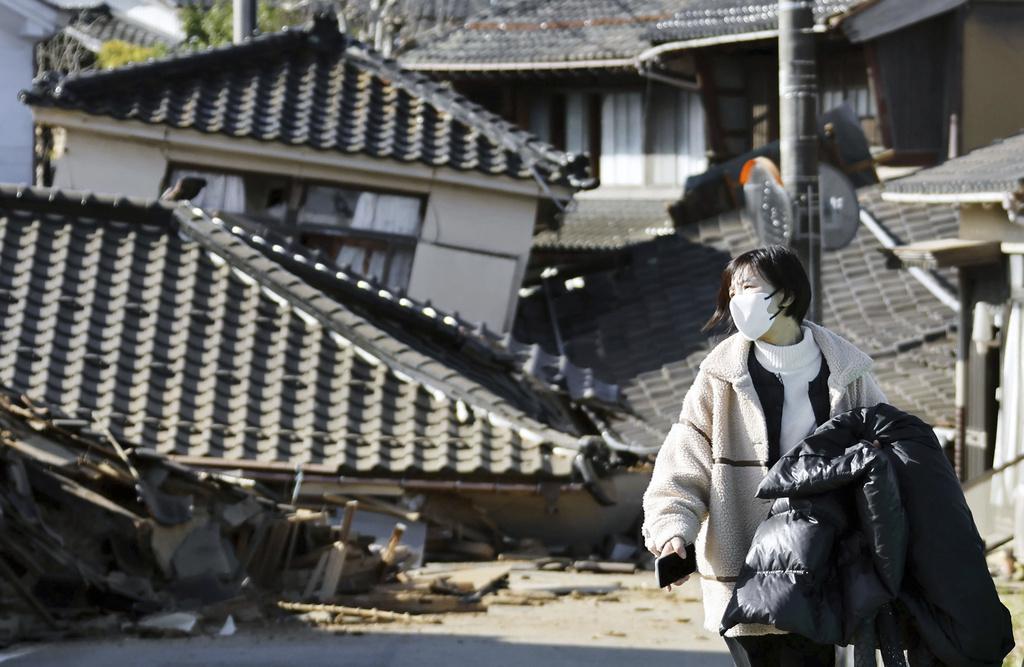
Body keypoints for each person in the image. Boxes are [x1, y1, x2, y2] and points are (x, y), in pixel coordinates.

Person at [641, 245, 888, 667]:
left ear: (787, 296)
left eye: (749, 287)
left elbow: (888, 453)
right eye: (732, 292)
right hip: (745, 566)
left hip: (823, 559)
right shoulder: (719, 376)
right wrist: (671, 531)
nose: (738, 302)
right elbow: (684, 459)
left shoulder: (848, 374)